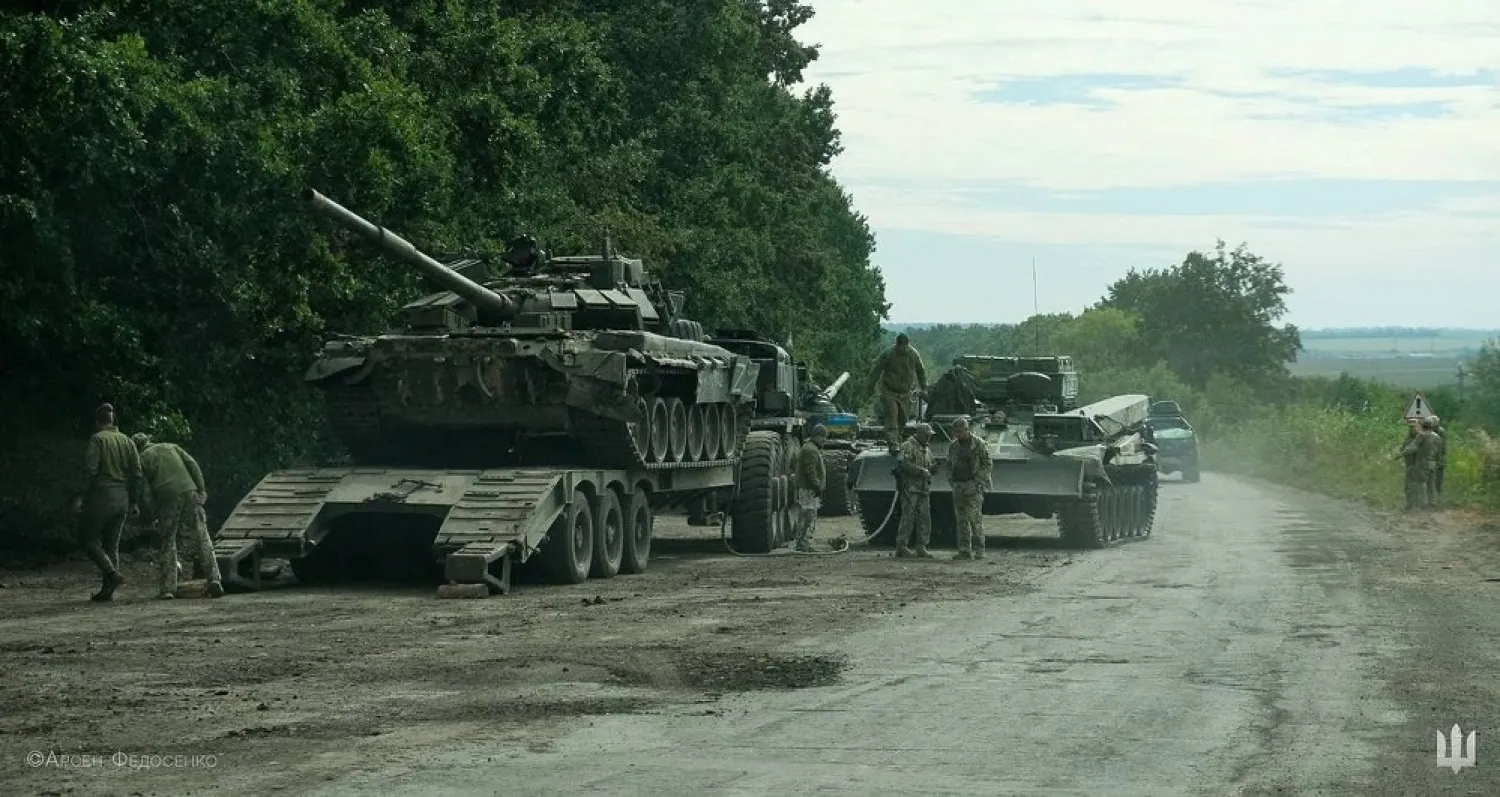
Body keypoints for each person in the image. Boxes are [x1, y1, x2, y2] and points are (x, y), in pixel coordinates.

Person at [132, 433, 223, 599]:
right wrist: (201, 489)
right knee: (202, 536)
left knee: (168, 541)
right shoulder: (171, 446)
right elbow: (193, 465)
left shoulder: (142, 459)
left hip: (167, 498)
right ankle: (214, 579)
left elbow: (145, 492)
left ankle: (168, 589)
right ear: (149, 440)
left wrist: (151, 514)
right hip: (189, 492)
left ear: (136, 448)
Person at [73, 403, 143, 602]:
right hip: (122, 499)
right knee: (112, 545)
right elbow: (137, 474)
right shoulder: (128, 441)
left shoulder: (97, 439)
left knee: (88, 540)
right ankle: (107, 591)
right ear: (113, 421)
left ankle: (111, 574)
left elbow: (90, 471)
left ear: (97, 422)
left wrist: (80, 497)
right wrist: (135, 501)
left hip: (101, 496)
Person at [867, 333, 928, 454]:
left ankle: (897, 438)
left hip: (905, 392)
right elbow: (876, 370)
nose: (902, 350)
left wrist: (924, 387)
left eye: (904, 347)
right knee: (892, 416)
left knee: (903, 419)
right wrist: (870, 386)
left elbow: (921, 371)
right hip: (889, 391)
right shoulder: (888, 354)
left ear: (908, 345)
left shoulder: (914, 354)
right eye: (900, 347)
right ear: (896, 345)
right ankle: (893, 443)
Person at [946, 417, 992, 560]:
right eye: (955, 432)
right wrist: (952, 481)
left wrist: (978, 481)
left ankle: (980, 549)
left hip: (973, 485)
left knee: (975, 518)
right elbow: (949, 464)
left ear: (967, 429)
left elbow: (987, 464)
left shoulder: (978, 444)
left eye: (960, 431)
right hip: (958, 485)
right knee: (961, 520)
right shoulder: (953, 446)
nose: (957, 434)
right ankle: (964, 550)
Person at [893, 423, 938, 558]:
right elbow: (903, 463)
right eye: (927, 435)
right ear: (920, 434)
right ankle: (901, 546)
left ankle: (922, 546)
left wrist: (933, 468)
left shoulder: (927, 449)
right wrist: (920, 471)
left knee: (924, 518)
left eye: (930, 436)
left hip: (923, 488)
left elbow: (931, 463)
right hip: (910, 488)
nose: (929, 438)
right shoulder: (908, 446)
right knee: (908, 517)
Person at [792, 425, 828, 553]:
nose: (824, 440)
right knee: (808, 515)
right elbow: (810, 471)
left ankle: (804, 541)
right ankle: (803, 542)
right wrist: (817, 486)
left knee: (808, 515)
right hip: (809, 489)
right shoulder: (811, 450)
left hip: (809, 488)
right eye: (822, 437)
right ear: (816, 436)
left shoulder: (811, 448)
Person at [1398, 417, 1441, 510]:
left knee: (1421, 483)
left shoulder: (1422, 436)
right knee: (1431, 483)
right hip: (1432, 462)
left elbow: (1412, 447)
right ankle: (1432, 502)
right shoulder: (1437, 437)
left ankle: (1422, 503)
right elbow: (1439, 450)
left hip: (1422, 462)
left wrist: (1401, 454)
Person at [1429, 415, 1447, 498]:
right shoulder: (1429, 431)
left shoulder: (1440, 431)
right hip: (1431, 457)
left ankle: (1438, 494)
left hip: (1439, 457)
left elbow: (1442, 446)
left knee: (1438, 477)